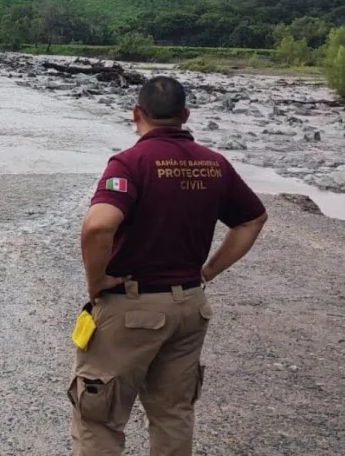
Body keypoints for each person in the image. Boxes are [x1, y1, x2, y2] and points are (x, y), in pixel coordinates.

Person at [70, 75, 268, 456]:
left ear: (136, 114)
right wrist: (207, 272)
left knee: (100, 415)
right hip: (189, 309)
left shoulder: (129, 163)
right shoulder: (215, 164)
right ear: (185, 115)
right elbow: (252, 219)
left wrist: (96, 282)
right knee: (173, 413)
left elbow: (98, 226)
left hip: (133, 308)